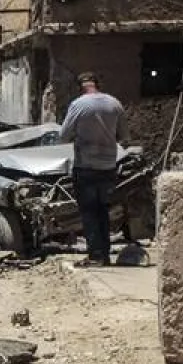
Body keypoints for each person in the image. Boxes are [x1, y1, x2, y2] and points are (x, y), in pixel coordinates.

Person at [58, 71, 127, 268]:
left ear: (80, 87)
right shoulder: (115, 103)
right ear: (98, 84)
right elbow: (124, 135)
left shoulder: (78, 105)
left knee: (89, 212)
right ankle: (104, 255)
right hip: (108, 166)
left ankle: (95, 256)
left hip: (86, 166)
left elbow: (63, 136)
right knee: (103, 211)